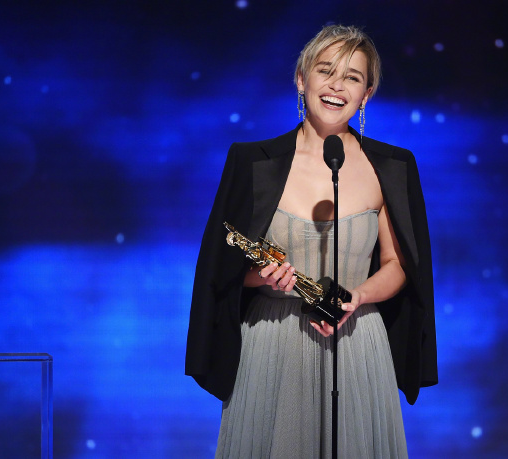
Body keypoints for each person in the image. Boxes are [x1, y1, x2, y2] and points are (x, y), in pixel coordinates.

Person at [185, 24, 437, 458]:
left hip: (357, 341)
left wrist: (357, 297)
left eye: (352, 77)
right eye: (325, 71)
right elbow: (219, 270)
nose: (337, 85)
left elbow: (399, 265)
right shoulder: (251, 162)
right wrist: (262, 278)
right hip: (272, 343)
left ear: (366, 94)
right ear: (301, 80)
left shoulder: (394, 167)